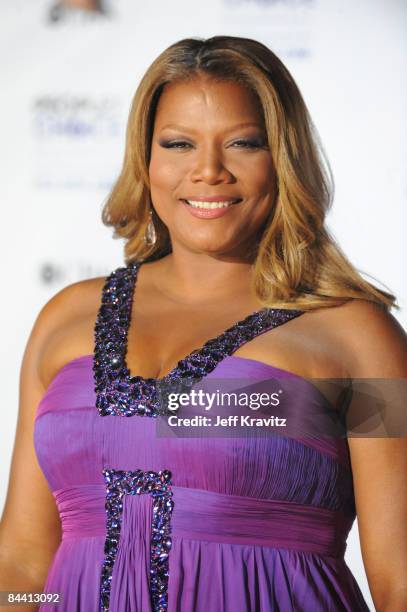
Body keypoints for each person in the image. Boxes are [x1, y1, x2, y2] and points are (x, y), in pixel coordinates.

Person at [0, 35, 406, 612]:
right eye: (179, 143)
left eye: (242, 143)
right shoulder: (65, 317)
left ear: (282, 157)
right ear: (147, 158)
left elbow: (401, 580)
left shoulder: (362, 339)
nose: (208, 171)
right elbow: (20, 560)